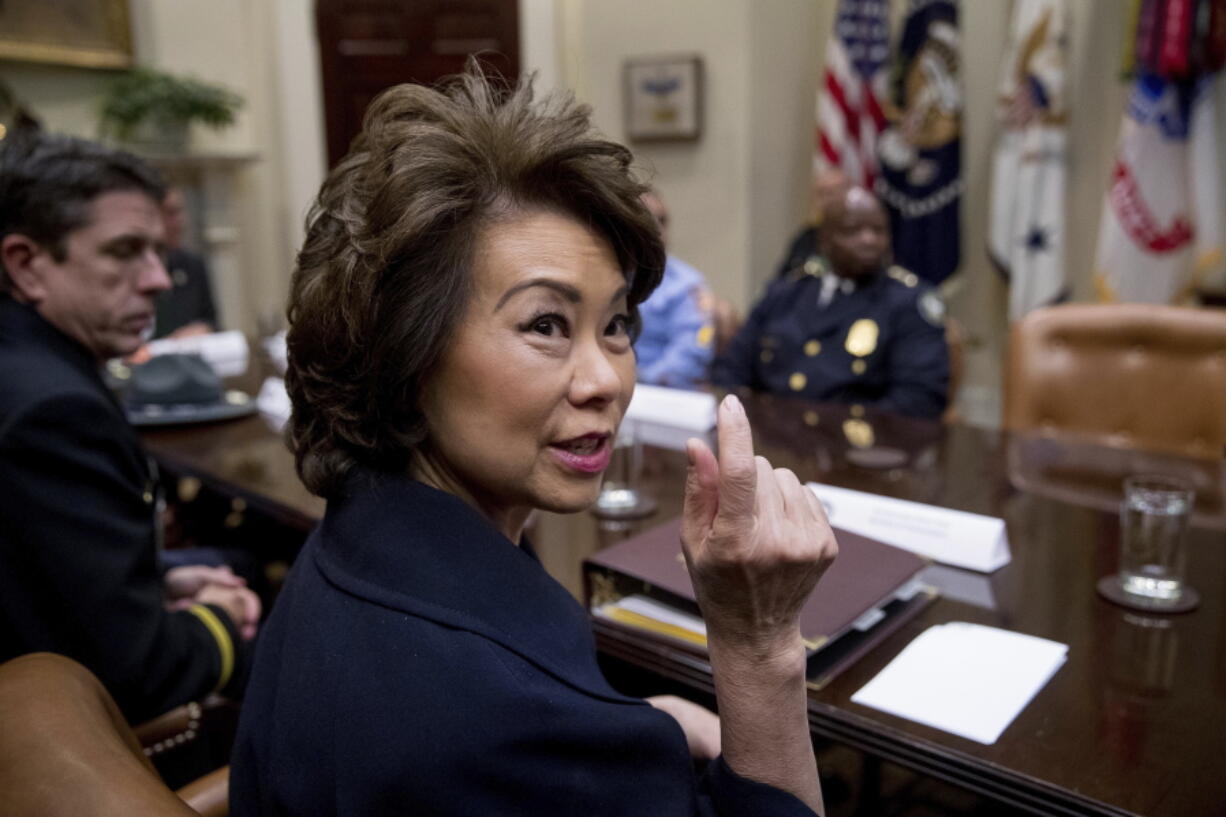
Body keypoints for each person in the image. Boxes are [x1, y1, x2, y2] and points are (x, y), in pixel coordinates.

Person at [231, 64, 837, 816]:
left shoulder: (361, 542)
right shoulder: (505, 721)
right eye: (546, 324)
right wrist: (759, 644)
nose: (606, 380)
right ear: (403, 356)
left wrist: (632, 726)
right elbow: (509, 727)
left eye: (615, 325)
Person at [0, 133, 260, 723]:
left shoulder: (28, 365)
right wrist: (220, 615)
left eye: (158, 251)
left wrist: (157, 577)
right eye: (125, 251)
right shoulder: (54, 412)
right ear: (26, 264)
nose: (159, 280)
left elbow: (38, 573)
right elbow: (142, 672)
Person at [712, 186, 949, 420]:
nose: (868, 240)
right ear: (824, 240)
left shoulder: (909, 302)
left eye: (878, 230)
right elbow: (730, 370)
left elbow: (918, 402)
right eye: (852, 230)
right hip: (770, 440)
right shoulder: (786, 292)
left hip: (855, 447)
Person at [634, 188, 715, 389]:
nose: (657, 230)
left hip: (666, 394)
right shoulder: (609, 278)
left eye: (662, 221)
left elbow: (693, 351)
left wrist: (637, 381)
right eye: (647, 220)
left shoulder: (686, 284)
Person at [154, 186, 217, 339]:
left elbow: (213, 321)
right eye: (170, 213)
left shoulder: (192, 265)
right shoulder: (128, 271)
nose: (181, 221)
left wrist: (205, 328)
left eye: (180, 211)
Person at [774, 168, 850, 279]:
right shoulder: (806, 238)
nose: (829, 200)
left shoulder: (867, 237)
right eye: (822, 194)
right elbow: (782, 282)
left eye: (834, 192)